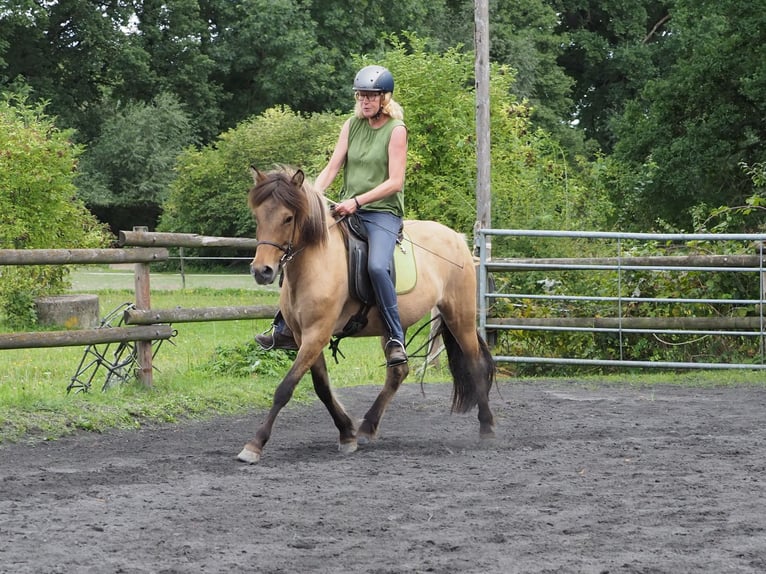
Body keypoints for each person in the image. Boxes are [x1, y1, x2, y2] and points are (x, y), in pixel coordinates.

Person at [256, 64, 408, 367]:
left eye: (371, 96)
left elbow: (395, 182)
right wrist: (309, 195)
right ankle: (284, 327)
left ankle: (394, 337)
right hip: (347, 208)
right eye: (361, 95)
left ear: (385, 99)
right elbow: (333, 165)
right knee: (298, 248)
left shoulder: (396, 131)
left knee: (378, 266)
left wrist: (357, 201)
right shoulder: (351, 125)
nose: (364, 101)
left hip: (381, 213)